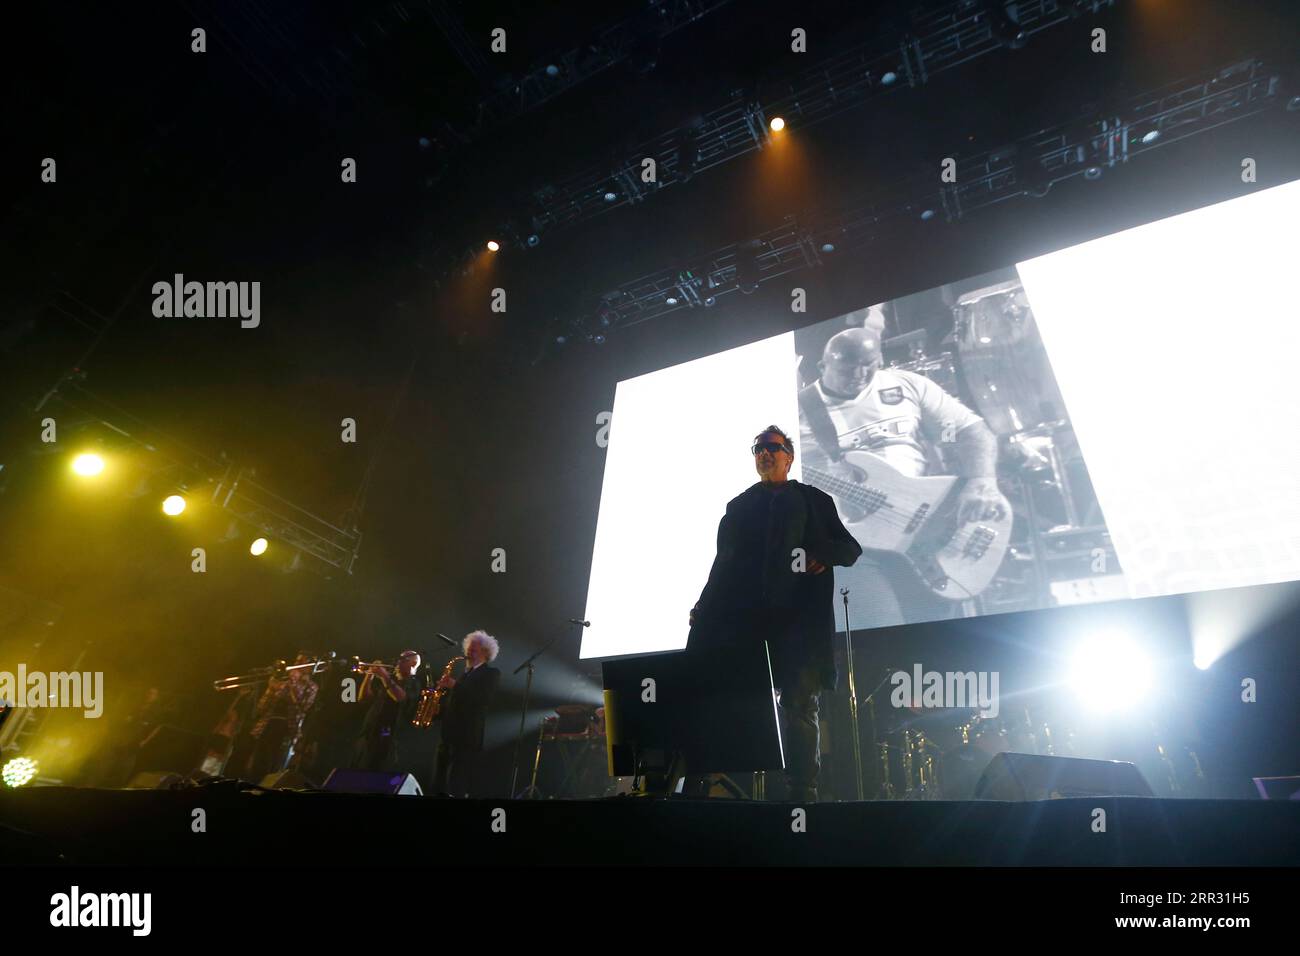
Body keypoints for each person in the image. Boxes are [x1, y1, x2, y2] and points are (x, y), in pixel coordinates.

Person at [688, 426, 863, 802]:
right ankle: (737, 795)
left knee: (799, 704)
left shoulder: (814, 500)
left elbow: (850, 548)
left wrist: (823, 555)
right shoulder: (738, 507)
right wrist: (704, 604)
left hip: (800, 624)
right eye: (758, 448)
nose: (764, 453)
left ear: (789, 457)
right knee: (742, 705)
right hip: (747, 623)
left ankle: (802, 795)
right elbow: (724, 564)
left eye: (773, 447)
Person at [798, 327, 1010, 627]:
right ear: (822, 366)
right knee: (881, 638)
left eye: (869, 365)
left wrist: (982, 482)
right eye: (848, 368)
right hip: (852, 543)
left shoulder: (907, 385)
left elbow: (971, 431)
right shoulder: (799, 411)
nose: (859, 375)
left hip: (932, 528)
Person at [429, 631, 501, 797]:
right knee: (438, 783)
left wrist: (455, 685)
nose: (468, 653)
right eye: (468, 649)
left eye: (473, 650)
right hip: (448, 735)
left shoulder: (491, 674)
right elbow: (456, 702)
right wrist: (437, 710)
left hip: (466, 738)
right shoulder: (465, 674)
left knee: (455, 783)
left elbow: (482, 699)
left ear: (485, 652)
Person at [237, 652, 319, 781]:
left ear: (309, 667)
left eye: (302, 661)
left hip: (287, 729)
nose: (297, 664)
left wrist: (293, 683)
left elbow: (303, 708)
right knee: (256, 763)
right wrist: (271, 689)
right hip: (266, 725)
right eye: (297, 660)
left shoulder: (311, 686)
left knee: (275, 768)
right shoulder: (283, 681)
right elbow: (261, 707)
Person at [354, 650, 421, 772]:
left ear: (413, 664)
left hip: (386, 737)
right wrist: (369, 675)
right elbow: (363, 698)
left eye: (403, 660)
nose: (398, 662)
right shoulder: (390, 680)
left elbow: (400, 698)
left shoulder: (414, 683)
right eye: (399, 658)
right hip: (368, 731)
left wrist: (384, 676)